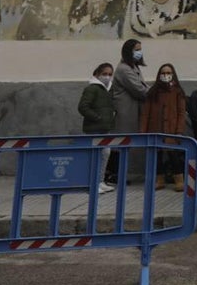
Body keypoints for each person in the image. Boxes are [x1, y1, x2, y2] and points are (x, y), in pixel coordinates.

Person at [105, 39, 147, 185]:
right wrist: (154, 95)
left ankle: (116, 173)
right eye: (136, 49)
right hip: (125, 111)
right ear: (128, 51)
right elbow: (139, 89)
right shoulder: (124, 69)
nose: (139, 52)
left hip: (131, 110)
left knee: (124, 143)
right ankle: (112, 174)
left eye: (140, 49)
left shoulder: (133, 67)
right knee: (120, 143)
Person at [141, 63, 188, 191]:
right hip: (155, 128)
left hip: (171, 129)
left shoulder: (178, 91)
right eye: (163, 73)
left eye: (168, 73)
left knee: (173, 155)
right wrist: (143, 131)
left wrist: (179, 130)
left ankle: (179, 180)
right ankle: (159, 180)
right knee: (157, 156)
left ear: (173, 75)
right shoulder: (153, 91)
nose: (165, 75)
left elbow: (181, 113)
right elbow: (146, 112)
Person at [78, 62, 116, 195]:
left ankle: (100, 181)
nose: (107, 77)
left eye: (110, 74)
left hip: (105, 128)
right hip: (94, 129)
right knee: (95, 156)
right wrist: (97, 117)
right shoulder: (92, 89)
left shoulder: (108, 88)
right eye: (104, 74)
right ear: (97, 74)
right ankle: (92, 183)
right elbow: (83, 107)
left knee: (105, 154)